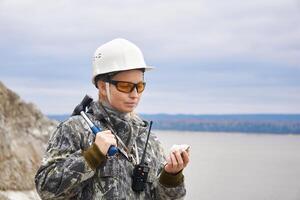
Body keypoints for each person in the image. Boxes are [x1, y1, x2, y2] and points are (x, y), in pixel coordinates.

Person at [35, 38, 190, 199]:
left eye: (140, 86)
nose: (135, 94)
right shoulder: (75, 129)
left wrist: (171, 175)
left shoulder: (147, 138)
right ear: (102, 86)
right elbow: (45, 189)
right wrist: (92, 156)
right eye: (125, 86)